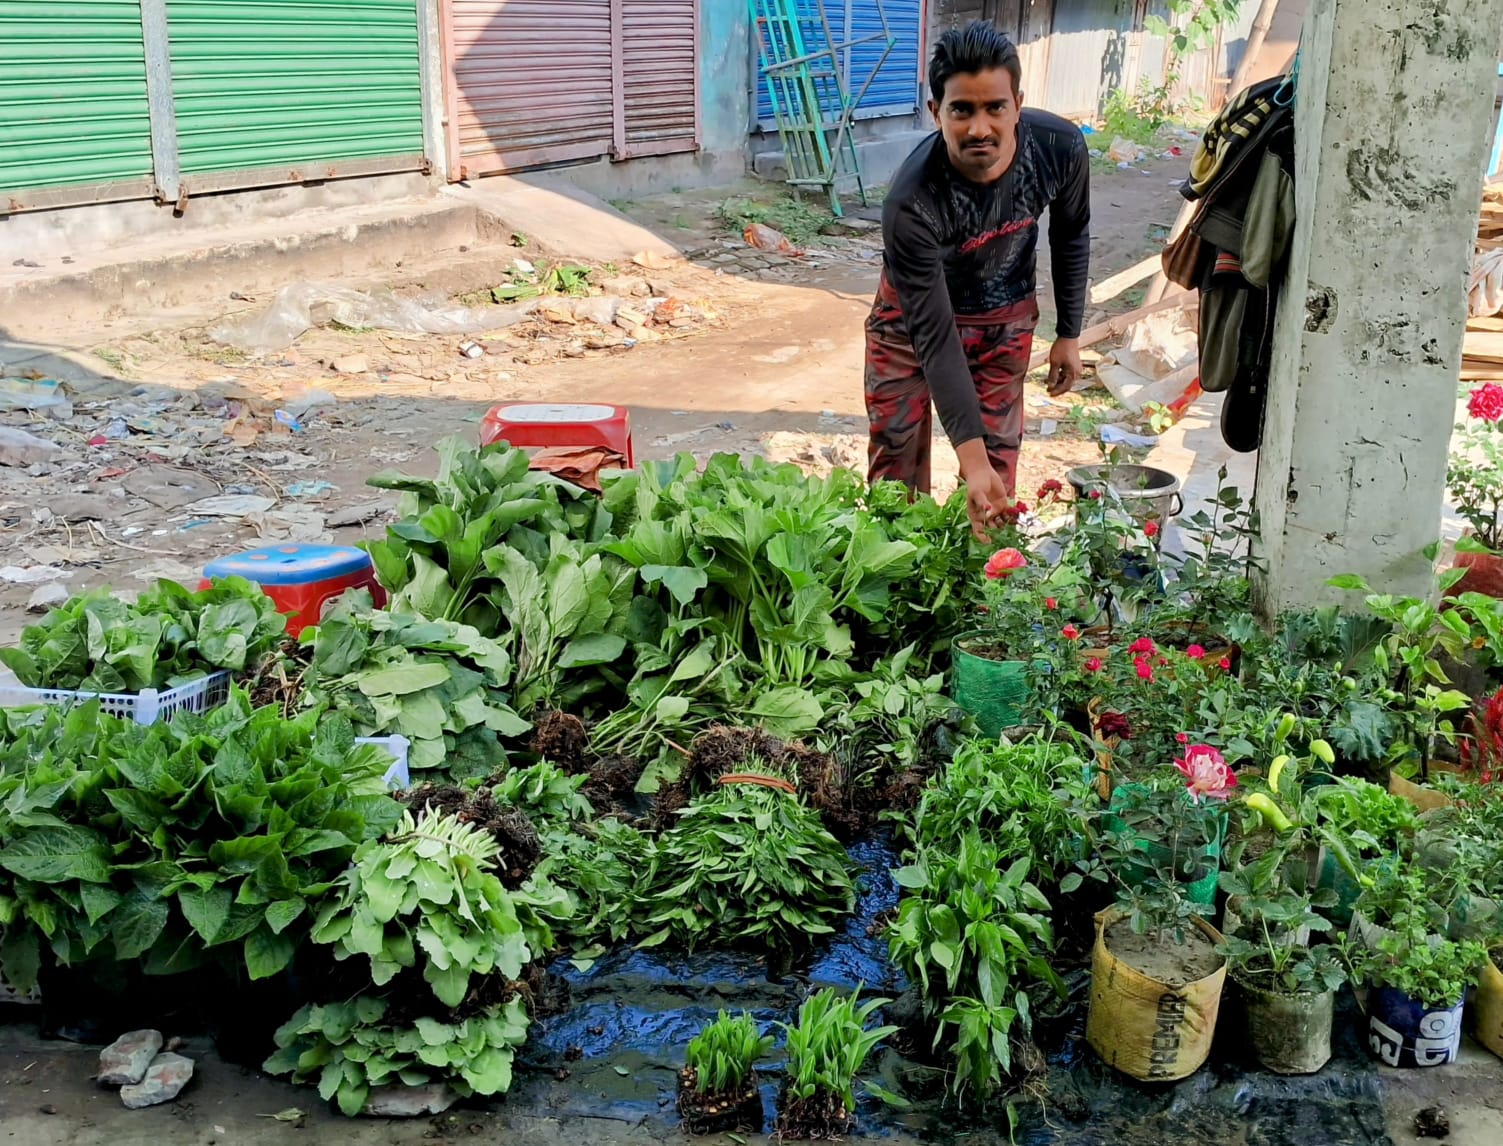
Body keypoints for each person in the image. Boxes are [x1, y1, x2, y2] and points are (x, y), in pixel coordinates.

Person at [865, 20, 1090, 540]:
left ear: (1018, 104)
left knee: (995, 475)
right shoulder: (912, 201)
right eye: (961, 110)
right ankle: (899, 569)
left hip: (1004, 318)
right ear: (935, 112)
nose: (979, 128)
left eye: (995, 108)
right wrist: (969, 457)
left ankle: (986, 579)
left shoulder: (1058, 148)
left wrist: (1070, 333)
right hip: (909, 325)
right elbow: (933, 333)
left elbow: (1071, 234)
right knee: (894, 465)